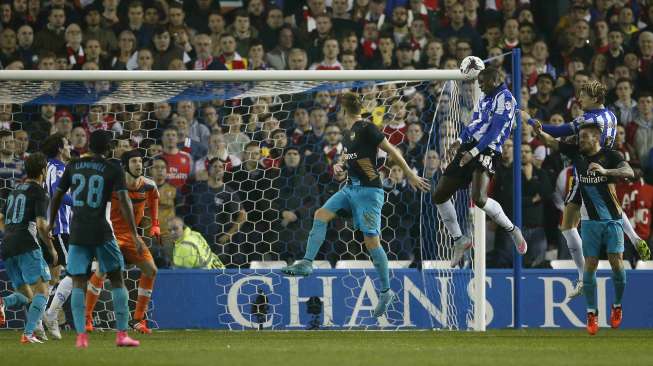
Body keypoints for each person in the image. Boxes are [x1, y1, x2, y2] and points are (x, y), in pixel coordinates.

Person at [281, 92, 430, 318]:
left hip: (369, 192)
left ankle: (386, 291)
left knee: (371, 241)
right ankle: (307, 263)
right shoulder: (347, 134)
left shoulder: (367, 128)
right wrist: (341, 165)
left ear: (343, 111)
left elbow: (392, 151)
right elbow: (350, 157)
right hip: (350, 188)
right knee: (321, 215)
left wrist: (409, 174)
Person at [522, 80, 650, 299]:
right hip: (605, 167)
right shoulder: (611, 115)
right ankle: (635, 238)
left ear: (595, 99)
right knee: (610, 209)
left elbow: (558, 130)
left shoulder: (590, 119)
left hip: (588, 169)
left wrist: (532, 121)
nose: (579, 100)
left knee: (569, 225)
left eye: (583, 96)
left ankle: (583, 276)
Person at [534, 122, 633, 335]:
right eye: (580, 136)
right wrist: (538, 131)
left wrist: (606, 171)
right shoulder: (576, 153)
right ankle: (591, 313)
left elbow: (629, 171)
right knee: (590, 264)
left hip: (613, 220)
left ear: (596, 138)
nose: (580, 139)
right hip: (589, 222)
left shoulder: (610, 155)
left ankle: (616, 306)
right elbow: (551, 141)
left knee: (617, 264)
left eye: (585, 136)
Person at [48, 130, 143, 348]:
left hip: (78, 232)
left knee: (78, 281)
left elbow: (57, 196)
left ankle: (81, 336)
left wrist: (51, 223)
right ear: (108, 148)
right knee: (117, 278)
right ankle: (121, 334)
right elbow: (125, 201)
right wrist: (134, 234)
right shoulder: (112, 168)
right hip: (101, 230)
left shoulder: (72, 165)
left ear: (89, 145)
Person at [432, 67, 527, 268]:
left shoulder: (506, 99)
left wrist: (473, 154)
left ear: (495, 79)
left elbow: (494, 132)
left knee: (479, 199)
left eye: (483, 82)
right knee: (439, 194)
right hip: (469, 146)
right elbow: (474, 123)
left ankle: (512, 230)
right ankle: (459, 239)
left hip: (488, 150)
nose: (480, 86)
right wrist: (459, 140)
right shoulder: (484, 97)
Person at [84, 149, 160, 335]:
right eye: (134, 161)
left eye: (140, 161)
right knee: (103, 269)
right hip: (111, 233)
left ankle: (138, 320)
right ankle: (86, 318)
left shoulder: (149, 186)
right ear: (125, 166)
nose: (138, 165)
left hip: (132, 236)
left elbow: (154, 200)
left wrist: (155, 225)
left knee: (151, 270)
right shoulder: (112, 186)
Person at [0, 153, 55, 344]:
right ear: (43, 171)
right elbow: (41, 225)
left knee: (27, 295)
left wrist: (10, 235)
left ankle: (3, 303)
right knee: (43, 291)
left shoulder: (14, 190)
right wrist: (51, 248)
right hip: (26, 243)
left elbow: (1, 219)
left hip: (7, 244)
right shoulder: (40, 192)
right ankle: (29, 333)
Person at [41, 133, 73, 340]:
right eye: (68, 143)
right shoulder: (58, 168)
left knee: (51, 278)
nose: (70, 146)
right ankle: (51, 314)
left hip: (57, 228)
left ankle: (38, 322)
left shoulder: (54, 168)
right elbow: (57, 193)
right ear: (61, 149)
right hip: (58, 229)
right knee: (76, 272)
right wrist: (83, 202)